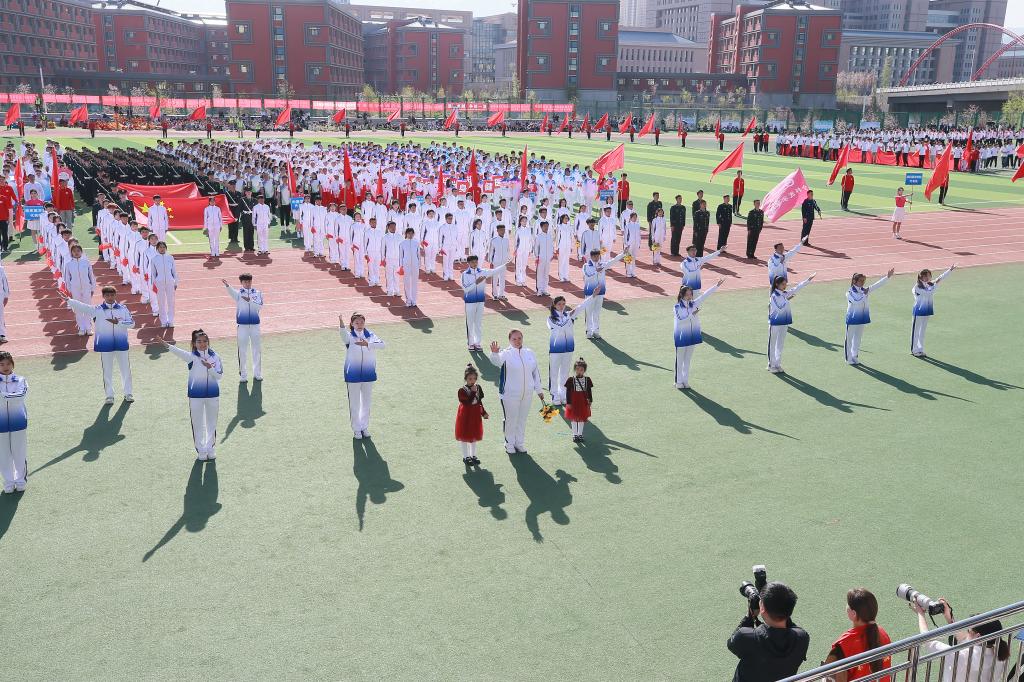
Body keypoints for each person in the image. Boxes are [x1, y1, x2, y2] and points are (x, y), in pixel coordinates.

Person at [62, 286, 135, 403]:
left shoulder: (123, 309)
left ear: (115, 295)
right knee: (107, 371)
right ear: (103, 296)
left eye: (112, 295)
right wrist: (69, 301)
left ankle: (128, 393)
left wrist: (119, 323)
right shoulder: (97, 310)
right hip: (105, 345)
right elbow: (83, 307)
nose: (110, 297)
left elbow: (132, 323)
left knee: (126, 369)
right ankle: (109, 395)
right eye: (107, 295)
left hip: (121, 344)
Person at [161, 330, 224, 462]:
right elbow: (177, 351)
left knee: (212, 423)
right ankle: (201, 450)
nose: (202, 344)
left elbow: (219, 375)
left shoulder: (215, 357)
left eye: (205, 341)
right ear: (194, 344)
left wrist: (210, 367)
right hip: (195, 395)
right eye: (199, 341)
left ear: (208, 342)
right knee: (197, 423)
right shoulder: (191, 357)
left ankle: (210, 448)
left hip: (213, 394)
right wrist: (166, 344)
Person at [728, 582, 810, 682]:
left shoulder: (746, 637)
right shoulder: (802, 637)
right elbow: (788, 625)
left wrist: (750, 615)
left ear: (762, 608)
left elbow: (731, 644)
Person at [912, 598, 1011, 682]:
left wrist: (920, 614)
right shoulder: (999, 656)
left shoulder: (960, 655)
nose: (966, 632)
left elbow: (927, 641)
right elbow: (964, 638)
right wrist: (949, 618)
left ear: (978, 636)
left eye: (968, 630)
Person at [488, 329, 544, 455]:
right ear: (509, 340)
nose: (517, 341)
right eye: (514, 339)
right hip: (509, 395)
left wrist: (539, 389)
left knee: (522, 419)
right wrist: (494, 354)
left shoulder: (529, 353)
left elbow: (535, 372)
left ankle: (519, 443)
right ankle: (509, 444)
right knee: (511, 420)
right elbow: (496, 361)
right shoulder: (506, 354)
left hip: (527, 394)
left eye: (519, 338)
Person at [822, 589, 892, 682]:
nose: (846, 606)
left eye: (848, 604)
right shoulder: (883, 633)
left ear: (854, 614)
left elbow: (830, 676)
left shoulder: (844, 644)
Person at [340, 312, 385, 439]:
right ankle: (356, 429)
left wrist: (368, 344)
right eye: (357, 323)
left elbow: (383, 344)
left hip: (368, 374)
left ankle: (364, 427)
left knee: (366, 402)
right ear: (352, 324)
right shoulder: (349, 337)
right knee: (354, 404)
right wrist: (341, 323)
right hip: (352, 375)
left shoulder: (370, 335)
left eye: (362, 322)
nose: (359, 325)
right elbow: (343, 334)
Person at [673, 279, 724, 389]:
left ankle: (685, 381)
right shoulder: (677, 307)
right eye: (687, 294)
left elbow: (705, 295)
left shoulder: (693, 304)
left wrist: (716, 285)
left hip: (692, 335)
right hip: (681, 336)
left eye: (690, 294)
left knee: (687, 360)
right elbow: (681, 321)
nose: (689, 296)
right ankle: (678, 382)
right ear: (682, 295)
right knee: (680, 360)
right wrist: (692, 315)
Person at [546, 295, 596, 406]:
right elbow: (560, 327)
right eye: (559, 304)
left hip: (568, 349)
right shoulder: (550, 319)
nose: (562, 306)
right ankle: (554, 394)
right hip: (555, 350)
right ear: (554, 305)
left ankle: (563, 394)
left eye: (563, 304)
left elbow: (581, 306)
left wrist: (593, 296)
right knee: (554, 373)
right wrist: (570, 317)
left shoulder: (568, 315)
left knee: (565, 373)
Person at [768, 274, 815, 374]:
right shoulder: (774, 296)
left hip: (784, 322)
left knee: (780, 344)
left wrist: (808, 280)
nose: (785, 286)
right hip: (775, 323)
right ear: (777, 284)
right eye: (783, 284)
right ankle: (771, 365)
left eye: (785, 284)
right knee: (772, 344)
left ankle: (777, 364)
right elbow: (779, 308)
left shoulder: (784, 293)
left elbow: (796, 288)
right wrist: (787, 299)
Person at [844, 269, 894, 365]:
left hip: (862, 317)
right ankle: (848, 358)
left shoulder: (864, 290)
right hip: (852, 318)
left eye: (864, 281)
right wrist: (864, 294)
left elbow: (876, 285)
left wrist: (887, 277)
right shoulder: (849, 292)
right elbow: (856, 301)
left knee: (858, 338)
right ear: (854, 281)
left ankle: (854, 356)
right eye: (861, 281)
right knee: (849, 338)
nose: (863, 283)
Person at [223, 274, 263, 381]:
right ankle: (243, 375)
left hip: (255, 325)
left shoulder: (257, 293)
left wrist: (250, 301)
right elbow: (232, 292)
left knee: (256, 350)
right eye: (245, 282)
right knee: (242, 351)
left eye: (249, 281)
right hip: (242, 326)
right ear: (241, 283)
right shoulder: (238, 294)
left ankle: (257, 374)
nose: (247, 283)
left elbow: (260, 306)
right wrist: (227, 286)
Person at [461, 255, 504, 351]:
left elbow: (494, 271)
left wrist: (505, 264)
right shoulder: (465, 274)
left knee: (478, 323)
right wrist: (476, 282)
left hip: (480, 301)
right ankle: (471, 343)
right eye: (472, 262)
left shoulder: (482, 271)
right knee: (470, 323)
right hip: (470, 302)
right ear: (468, 263)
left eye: (476, 262)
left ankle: (477, 343)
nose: (475, 264)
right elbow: (466, 289)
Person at [582, 248, 627, 339]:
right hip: (590, 292)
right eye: (595, 256)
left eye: (598, 256)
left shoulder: (602, 265)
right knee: (589, 312)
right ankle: (589, 332)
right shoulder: (586, 266)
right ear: (591, 257)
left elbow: (613, 261)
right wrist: (596, 271)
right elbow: (587, 277)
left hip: (600, 292)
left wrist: (623, 253)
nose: (596, 258)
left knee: (597, 313)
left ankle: (596, 331)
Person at [912, 264, 955, 357]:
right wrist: (936, 284)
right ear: (921, 277)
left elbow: (940, 278)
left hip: (927, 310)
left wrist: (950, 270)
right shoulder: (917, 287)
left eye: (929, 276)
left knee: (922, 331)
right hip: (918, 311)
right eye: (926, 276)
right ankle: (914, 350)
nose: (928, 278)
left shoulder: (929, 284)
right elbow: (929, 293)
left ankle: (920, 349)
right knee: (916, 331)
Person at [0, 351, 28, 494]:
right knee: (3, 454)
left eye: (8, 363)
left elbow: (21, 395)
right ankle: (9, 482)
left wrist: (3, 396)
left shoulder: (21, 380)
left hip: (18, 421)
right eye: (1, 364)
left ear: (13, 364)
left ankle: (20, 481)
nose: (5, 367)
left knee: (19, 451)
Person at [456, 364, 488, 467]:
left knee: (474, 434)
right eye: (470, 379)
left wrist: (483, 412)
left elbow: (479, 402)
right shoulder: (462, 390)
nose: (472, 381)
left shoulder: (478, 388)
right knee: (464, 435)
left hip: (475, 414)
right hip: (465, 415)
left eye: (474, 378)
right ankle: (466, 457)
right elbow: (467, 403)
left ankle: (473, 455)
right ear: (466, 379)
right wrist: (473, 392)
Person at [65, 244, 96, 335]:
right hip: (75, 289)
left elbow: (91, 275)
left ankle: (88, 328)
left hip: (86, 287)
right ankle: (81, 328)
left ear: (81, 252)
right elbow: (67, 279)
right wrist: (69, 290)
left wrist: (92, 287)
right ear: (71, 253)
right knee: (78, 308)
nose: (76, 253)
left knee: (87, 307)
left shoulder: (86, 263)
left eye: (78, 251)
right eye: (74, 251)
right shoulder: (69, 265)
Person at [564, 358, 593, 443]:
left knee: (581, 418)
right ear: (574, 369)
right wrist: (568, 403)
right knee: (573, 418)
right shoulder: (571, 380)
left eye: (581, 370)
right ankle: (574, 434)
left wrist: (590, 400)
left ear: (584, 370)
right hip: (573, 401)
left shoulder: (587, 380)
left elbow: (589, 391)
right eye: (577, 369)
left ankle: (580, 434)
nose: (579, 371)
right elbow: (568, 392)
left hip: (583, 401)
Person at [150, 241, 178, 328]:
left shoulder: (170, 257)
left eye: (163, 247)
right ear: (157, 249)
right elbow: (153, 274)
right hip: (159, 284)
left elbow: (174, 271)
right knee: (161, 303)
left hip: (170, 282)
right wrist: (154, 284)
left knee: (171, 302)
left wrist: (175, 282)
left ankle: (171, 321)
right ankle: (163, 321)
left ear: (166, 248)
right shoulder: (154, 259)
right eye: (160, 247)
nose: (162, 249)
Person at [398, 227, 421, 307]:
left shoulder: (416, 243)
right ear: (406, 234)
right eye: (409, 233)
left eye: (412, 233)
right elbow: (401, 256)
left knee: (415, 283)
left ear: (414, 234)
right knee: (407, 283)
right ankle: (408, 300)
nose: (410, 235)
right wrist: (401, 266)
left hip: (415, 265)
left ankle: (414, 300)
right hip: (406, 265)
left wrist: (419, 265)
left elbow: (418, 255)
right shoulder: (402, 243)